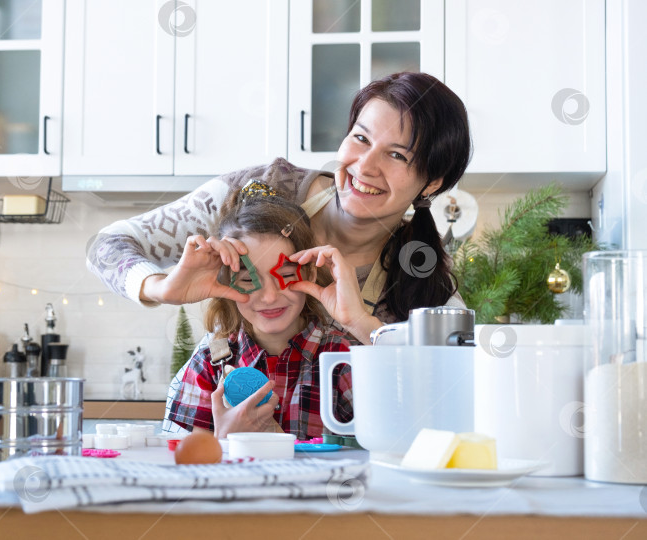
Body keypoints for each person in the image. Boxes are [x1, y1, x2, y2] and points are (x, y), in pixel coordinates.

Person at [87, 71, 472, 343]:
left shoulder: (423, 275)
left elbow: (452, 384)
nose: (365, 166)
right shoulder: (259, 190)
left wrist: (364, 324)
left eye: (397, 155)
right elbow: (104, 246)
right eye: (360, 138)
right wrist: (160, 288)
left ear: (432, 183)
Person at [166, 182, 353, 439]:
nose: (268, 297)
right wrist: (224, 441)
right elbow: (189, 468)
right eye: (247, 280)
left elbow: (387, 448)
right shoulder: (210, 361)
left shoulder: (342, 357)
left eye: (286, 275)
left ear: (309, 271)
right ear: (224, 282)